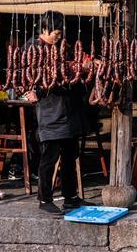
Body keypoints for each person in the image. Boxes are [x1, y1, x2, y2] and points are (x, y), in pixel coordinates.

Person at [25, 11, 91, 214]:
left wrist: (85, 65)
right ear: (45, 28)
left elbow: (75, 64)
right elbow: (36, 76)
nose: (59, 36)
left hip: (69, 108)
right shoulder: (33, 48)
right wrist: (75, 67)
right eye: (56, 32)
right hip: (50, 110)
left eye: (61, 33)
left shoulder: (63, 46)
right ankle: (44, 200)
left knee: (70, 156)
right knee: (49, 157)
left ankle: (71, 198)